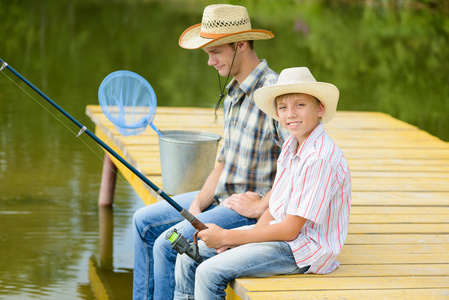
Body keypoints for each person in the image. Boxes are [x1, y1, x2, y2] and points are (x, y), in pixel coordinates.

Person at [132, 4, 288, 300]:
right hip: (220, 196)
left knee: (168, 244)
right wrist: (197, 205)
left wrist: (259, 207)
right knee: (143, 222)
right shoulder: (232, 95)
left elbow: (295, 165)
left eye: (215, 52)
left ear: (240, 45)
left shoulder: (276, 93)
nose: (209, 62)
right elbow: (223, 162)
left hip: (250, 211)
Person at [173, 67, 352, 299]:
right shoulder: (292, 145)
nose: (291, 114)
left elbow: (290, 230)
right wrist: (242, 241)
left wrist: (228, 237)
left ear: (319, 108)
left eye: (300, 105)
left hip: (303, 250)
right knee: (187, 256)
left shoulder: (319, 158)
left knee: (209, 271)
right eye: (283, 107)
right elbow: (275, 207)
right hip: (281, 236)